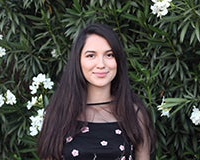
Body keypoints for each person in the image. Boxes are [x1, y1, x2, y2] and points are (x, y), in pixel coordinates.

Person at [38, 23, 156, 160]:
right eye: (91, 56)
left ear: (118, 60)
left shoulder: (134, 113)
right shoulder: (59, 113)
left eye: (109, 55)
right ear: (78, 61)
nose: (101, 64)